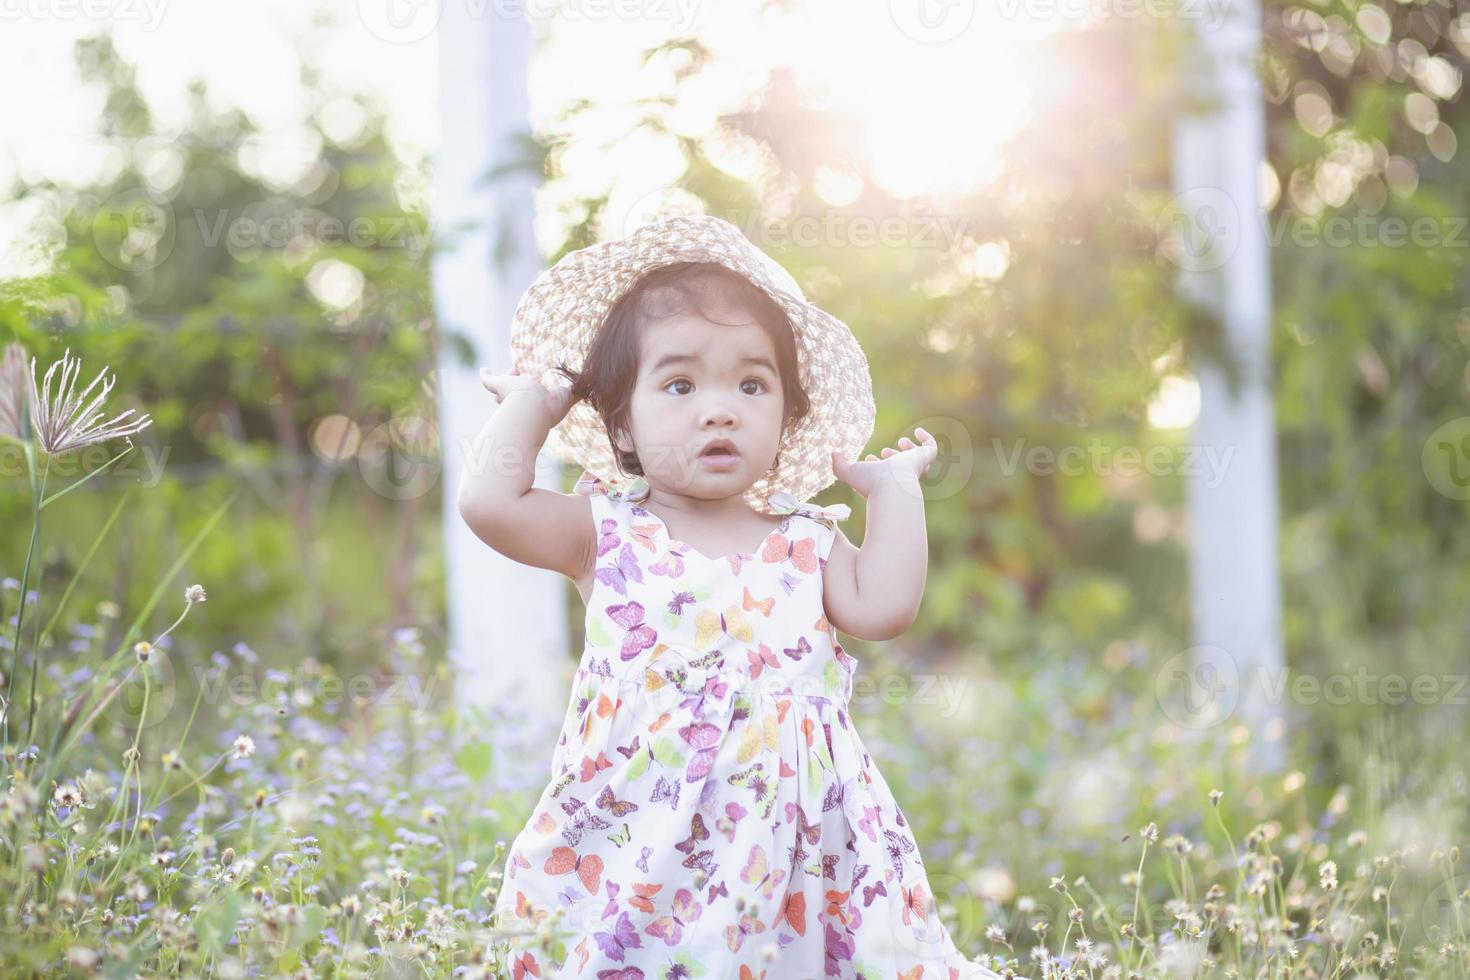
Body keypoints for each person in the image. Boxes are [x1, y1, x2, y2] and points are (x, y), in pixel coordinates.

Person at [459, 214, 1002, 979]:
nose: (720, 409)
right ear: (621, 421)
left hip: (798, 850)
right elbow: (491, 504)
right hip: (645, 842)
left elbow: (886, 608)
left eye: (752, 384)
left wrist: (896, 495)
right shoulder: (605, 532)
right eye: (679, 384)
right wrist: (536, 403)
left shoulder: (808, 540)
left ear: (786, 420)